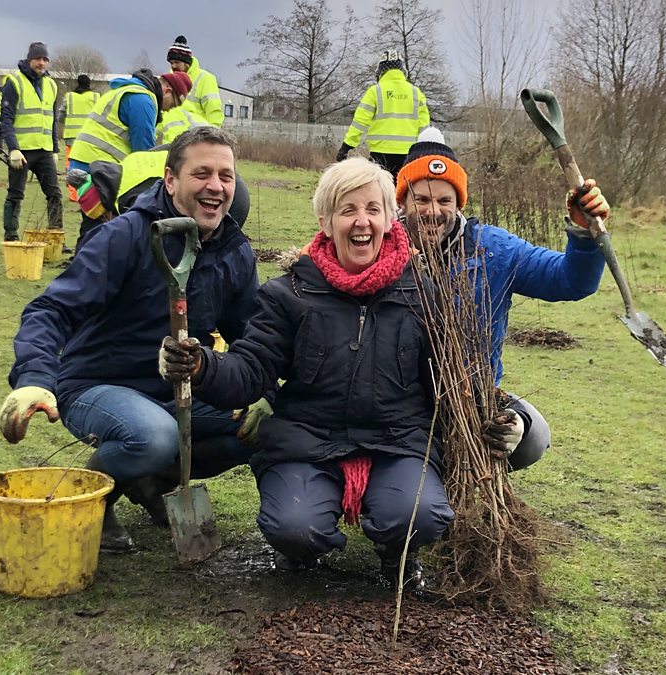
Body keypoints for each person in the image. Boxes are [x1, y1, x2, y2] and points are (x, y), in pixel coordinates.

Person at [158, 157, 522, 589]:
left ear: (391, 219)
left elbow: (458, 382)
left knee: (418, 516)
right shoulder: (288, 293)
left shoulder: (427, 294)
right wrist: (201, 365)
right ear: (325, 221)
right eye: (347, 210)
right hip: (309, 442)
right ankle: (304, 549)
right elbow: (250, 369)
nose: (361, 221)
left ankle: (396, 550)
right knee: (295, 527)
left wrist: (507, 415)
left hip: (399, 443)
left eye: (372, 209)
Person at [0, 126, 259, 553]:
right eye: (202, 173)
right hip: (98, 385)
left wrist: (264, 391)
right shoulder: (126, 236)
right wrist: (34, 377)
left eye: (226, 176)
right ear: (170, 180)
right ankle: (93, 499)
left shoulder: (233, 251)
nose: (216, 186)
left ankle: (150, 479)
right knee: (153, 436)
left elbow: (250, 334)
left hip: (177, 388)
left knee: (257, 427)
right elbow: (51, 310)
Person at [396, 127, 611, 470]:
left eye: (444, 200)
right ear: (402, 202)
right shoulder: (381, 251)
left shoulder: (494, 250)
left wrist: (585, 234)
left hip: (470, 401)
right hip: (396, 405)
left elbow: (570, 281)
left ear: (459, 203)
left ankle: (469, 467)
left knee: (533, 436)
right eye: (420, 199)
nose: (432, 211)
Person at [66, 146, 250, 249]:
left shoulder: (129, 198)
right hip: (226, 182)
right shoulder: (130, 163)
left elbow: (150, 241)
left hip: (229, 197)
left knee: (207, 251)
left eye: (104, 216)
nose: (107, 220)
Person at [0, 41, 64, 241]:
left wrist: (54, 149)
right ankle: (11, 235)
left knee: (54, 194)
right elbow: (6, 119)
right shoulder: (14, 82)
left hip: (44, 149)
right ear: (29, 60)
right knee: (16, 194)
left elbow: (51, 120)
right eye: (37, 59)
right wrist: (13, 149)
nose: (41, 63)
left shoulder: (51, 85)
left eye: (45, 59)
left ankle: (55, 236)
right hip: (23, 151)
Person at [68, 69, 190, 172]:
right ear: (167, 91)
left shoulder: (129, 90)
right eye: (172, 105)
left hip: (85, 160)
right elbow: (143, 151)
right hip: (99, 165)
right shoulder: (143, 101)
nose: (168, 110)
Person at [337, 50, 430, 176]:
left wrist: (346, 146)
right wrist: (426, 150)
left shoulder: (375, 91)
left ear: (381, 71)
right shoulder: (416, 93)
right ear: (402, 70)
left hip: (380, 155)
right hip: (408, 154)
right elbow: (424, 127)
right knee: (404, 192)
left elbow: (360, 122)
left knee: (380, 192)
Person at [166, 35, 223, 126]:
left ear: (187, 63)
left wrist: (212, 138)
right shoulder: (169, 80)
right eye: (171, 63)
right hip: (172, 138)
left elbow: (214, 112)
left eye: (177, 62)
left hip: (197, 137)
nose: (173, 66)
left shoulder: (206, 79)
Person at [60, 74, 98, 154]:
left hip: (71, 136)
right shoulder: (95, 97)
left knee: (70, 161)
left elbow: (61, 116)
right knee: (87, 160)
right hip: (90, 135)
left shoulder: (69, 96)